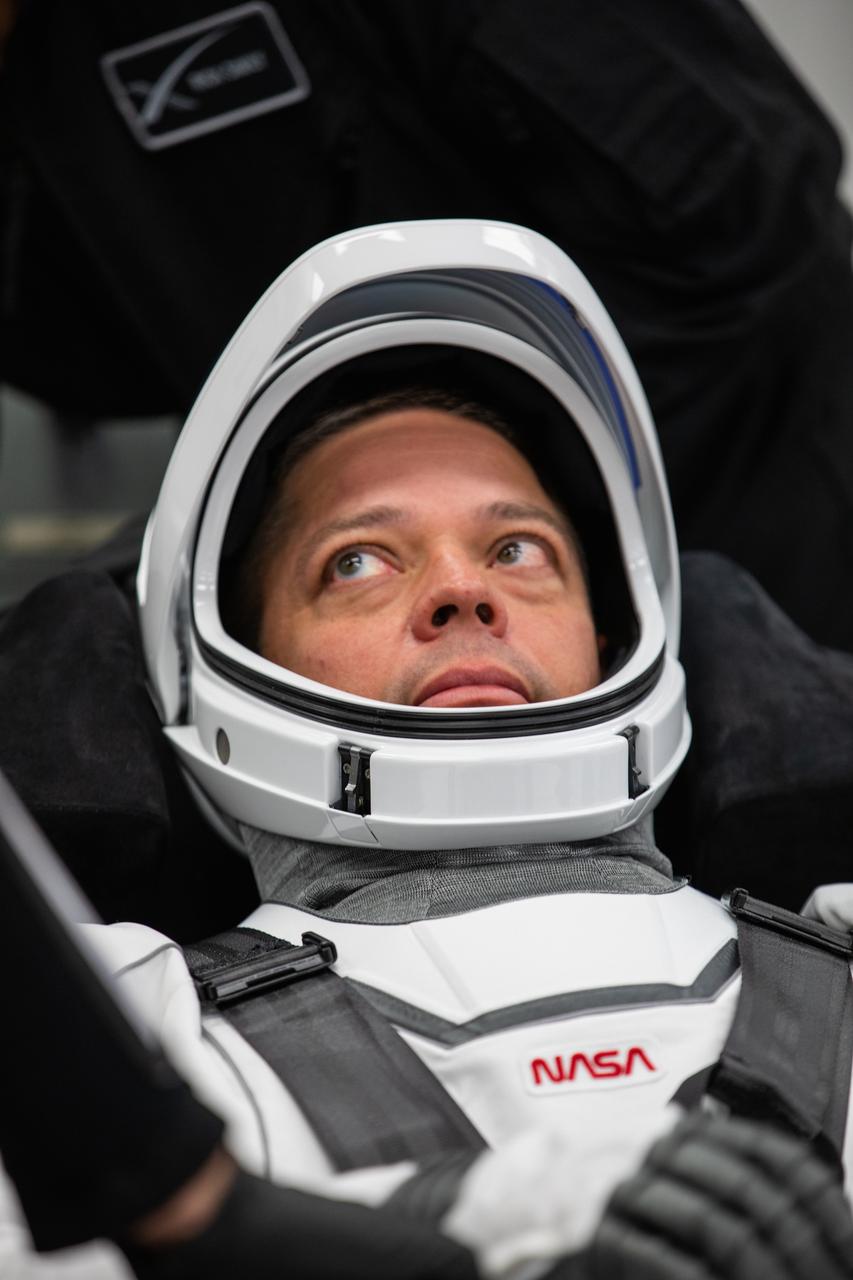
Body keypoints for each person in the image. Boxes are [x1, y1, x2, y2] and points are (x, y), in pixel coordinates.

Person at [3, 218, 853, 1280]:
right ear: (225, 656)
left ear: (614, 626)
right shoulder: (110, 1036)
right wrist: (440, 1216)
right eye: (356, 559)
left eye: (516, 546)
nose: (464, 589)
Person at [2, 0, 853, 649]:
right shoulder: (49, 86)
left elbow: (745, 199)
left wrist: (500, 488)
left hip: (765, 498)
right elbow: (123, 355)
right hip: (388, 607)